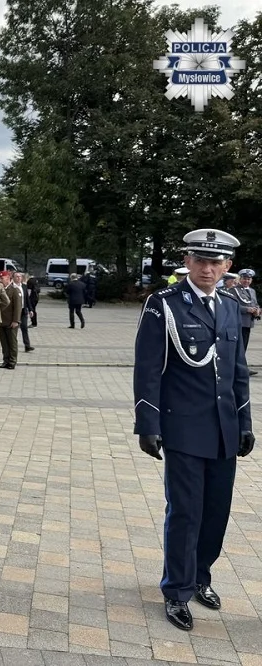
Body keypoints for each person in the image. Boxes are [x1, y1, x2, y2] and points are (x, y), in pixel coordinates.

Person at [134, 229, 253, 632]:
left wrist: (246, 423)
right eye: (200, 260)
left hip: (223, 429)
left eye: (215, 262)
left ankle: (201, 575)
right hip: (182, 428)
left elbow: (238, 373)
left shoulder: (231, 306)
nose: (207, 268)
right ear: (187, 262)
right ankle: (177, 590)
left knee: (216, 512)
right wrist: (147, 424)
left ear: (227, 267)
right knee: (185, 511)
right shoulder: (163, 305)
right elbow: (148, 369)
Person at [0, 270, 21, 369]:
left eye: (1, 278)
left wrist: (16, 320)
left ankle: (12, 361)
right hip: (1, 320)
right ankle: (5, 360)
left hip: (11, 321)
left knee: (12, 342)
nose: (0, 280)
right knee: (4, 343)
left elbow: (18, 307)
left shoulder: (14, 290)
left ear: (8, 279)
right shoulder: (0, 289)